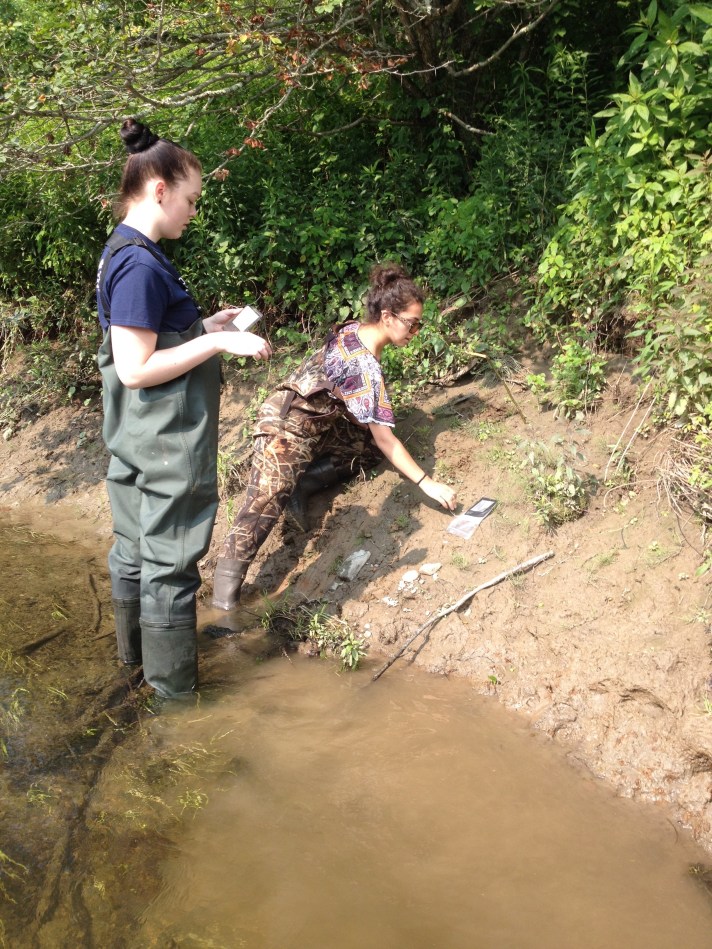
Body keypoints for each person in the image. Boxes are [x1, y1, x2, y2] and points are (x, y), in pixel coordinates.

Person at [96, 118, 272, 700]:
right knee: (168, 563)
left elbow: (149, 337)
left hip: (134, 438)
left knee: (132, 548)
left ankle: (132, 670)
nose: (194, 212)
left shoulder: (123, 253)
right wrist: (220, 342)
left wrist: (202, 325)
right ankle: (175, 708)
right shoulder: (141, 265)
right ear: (160, 190)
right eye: (191, 200)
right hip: (166, 440)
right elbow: (135, 368)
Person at [212, 263, 458, 610]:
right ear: (388, 316)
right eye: (412, 323)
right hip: (285, 427)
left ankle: (307, 483)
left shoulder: (355, 330)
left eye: (419, 325)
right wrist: (426, 482)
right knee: (260, 510)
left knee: (368, 448)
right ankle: (224, 606)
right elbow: (387, 437)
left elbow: (371, 430)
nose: (415, 332)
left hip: (320, 423)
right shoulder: (365, 366)